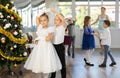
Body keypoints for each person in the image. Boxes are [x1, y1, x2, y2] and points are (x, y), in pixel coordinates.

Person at [24, 13, 62, 78]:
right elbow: (36, 17)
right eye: (41, 20)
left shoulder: (51, 29)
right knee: (40, 64)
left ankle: (46, 77)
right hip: (39, 48)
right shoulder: (39, 27)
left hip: (47, 48)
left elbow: (48, 38)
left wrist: (38, 38)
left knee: (46, 64)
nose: (42, 22)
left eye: (44, 20)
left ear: (48, 20)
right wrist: (43, 11)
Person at [50, 9, 66, 78]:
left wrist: (56, 12)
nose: (55, 21)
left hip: (60, 47)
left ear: (60, 21)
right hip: (53, 46)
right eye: (54, 19)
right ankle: (52, 76)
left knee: (62, 64)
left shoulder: (62, 26)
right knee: (53, 63)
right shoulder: (53, 27)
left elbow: (63, 19)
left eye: (57, 19)